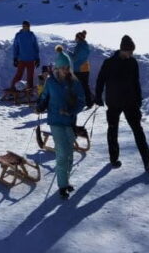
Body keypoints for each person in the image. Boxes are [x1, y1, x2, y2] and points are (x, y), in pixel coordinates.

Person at [95, 35, 149, 172]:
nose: (131, 54)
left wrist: (139, 99)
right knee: (113, 130)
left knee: (138, 130)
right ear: (122, 49)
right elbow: (100, 80)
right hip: (113, 101)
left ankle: (147, 160)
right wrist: (98, 97)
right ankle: (114, 159)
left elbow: (136, 82)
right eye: (129, 52)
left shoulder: (133, 63)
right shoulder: (109, 63)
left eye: (132, 52)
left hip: (130, 102)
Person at [36, 47, 85, 199]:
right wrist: (40, 105)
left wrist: (71, 111)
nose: (65, 70)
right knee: (62, 153)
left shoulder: (74, 83)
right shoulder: (51, 82)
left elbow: (81, 101)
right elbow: (44, 96)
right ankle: (62, 185)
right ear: (56, 68)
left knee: (70, 154)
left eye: (67, 67)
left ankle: (65, 179)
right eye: (62, 67)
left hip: (69, 121)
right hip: (55, 121)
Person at [10, 20, 40, 91]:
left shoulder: (31, 35)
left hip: (31, 59)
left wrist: (37, 58)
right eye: (23, 26)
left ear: (29, 27)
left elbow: (36, 47)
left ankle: (29, 90)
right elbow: (15, 47)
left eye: (26, 26)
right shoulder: (18, 35)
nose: (24, 27)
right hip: (21, 59)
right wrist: (15, 58)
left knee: (30, 76)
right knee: (18, 75)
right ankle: (13, 89)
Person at [71, 30, 93, 107]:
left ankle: (78, 103)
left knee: (77, 86)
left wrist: (69, 53)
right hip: (86, 68)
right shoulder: (86, 45)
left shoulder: (79, 46)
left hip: (79, 69)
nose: (75, 39)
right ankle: (89, 102)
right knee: (85, 86)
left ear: (78, 38)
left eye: (76, 37)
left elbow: (75, 58)